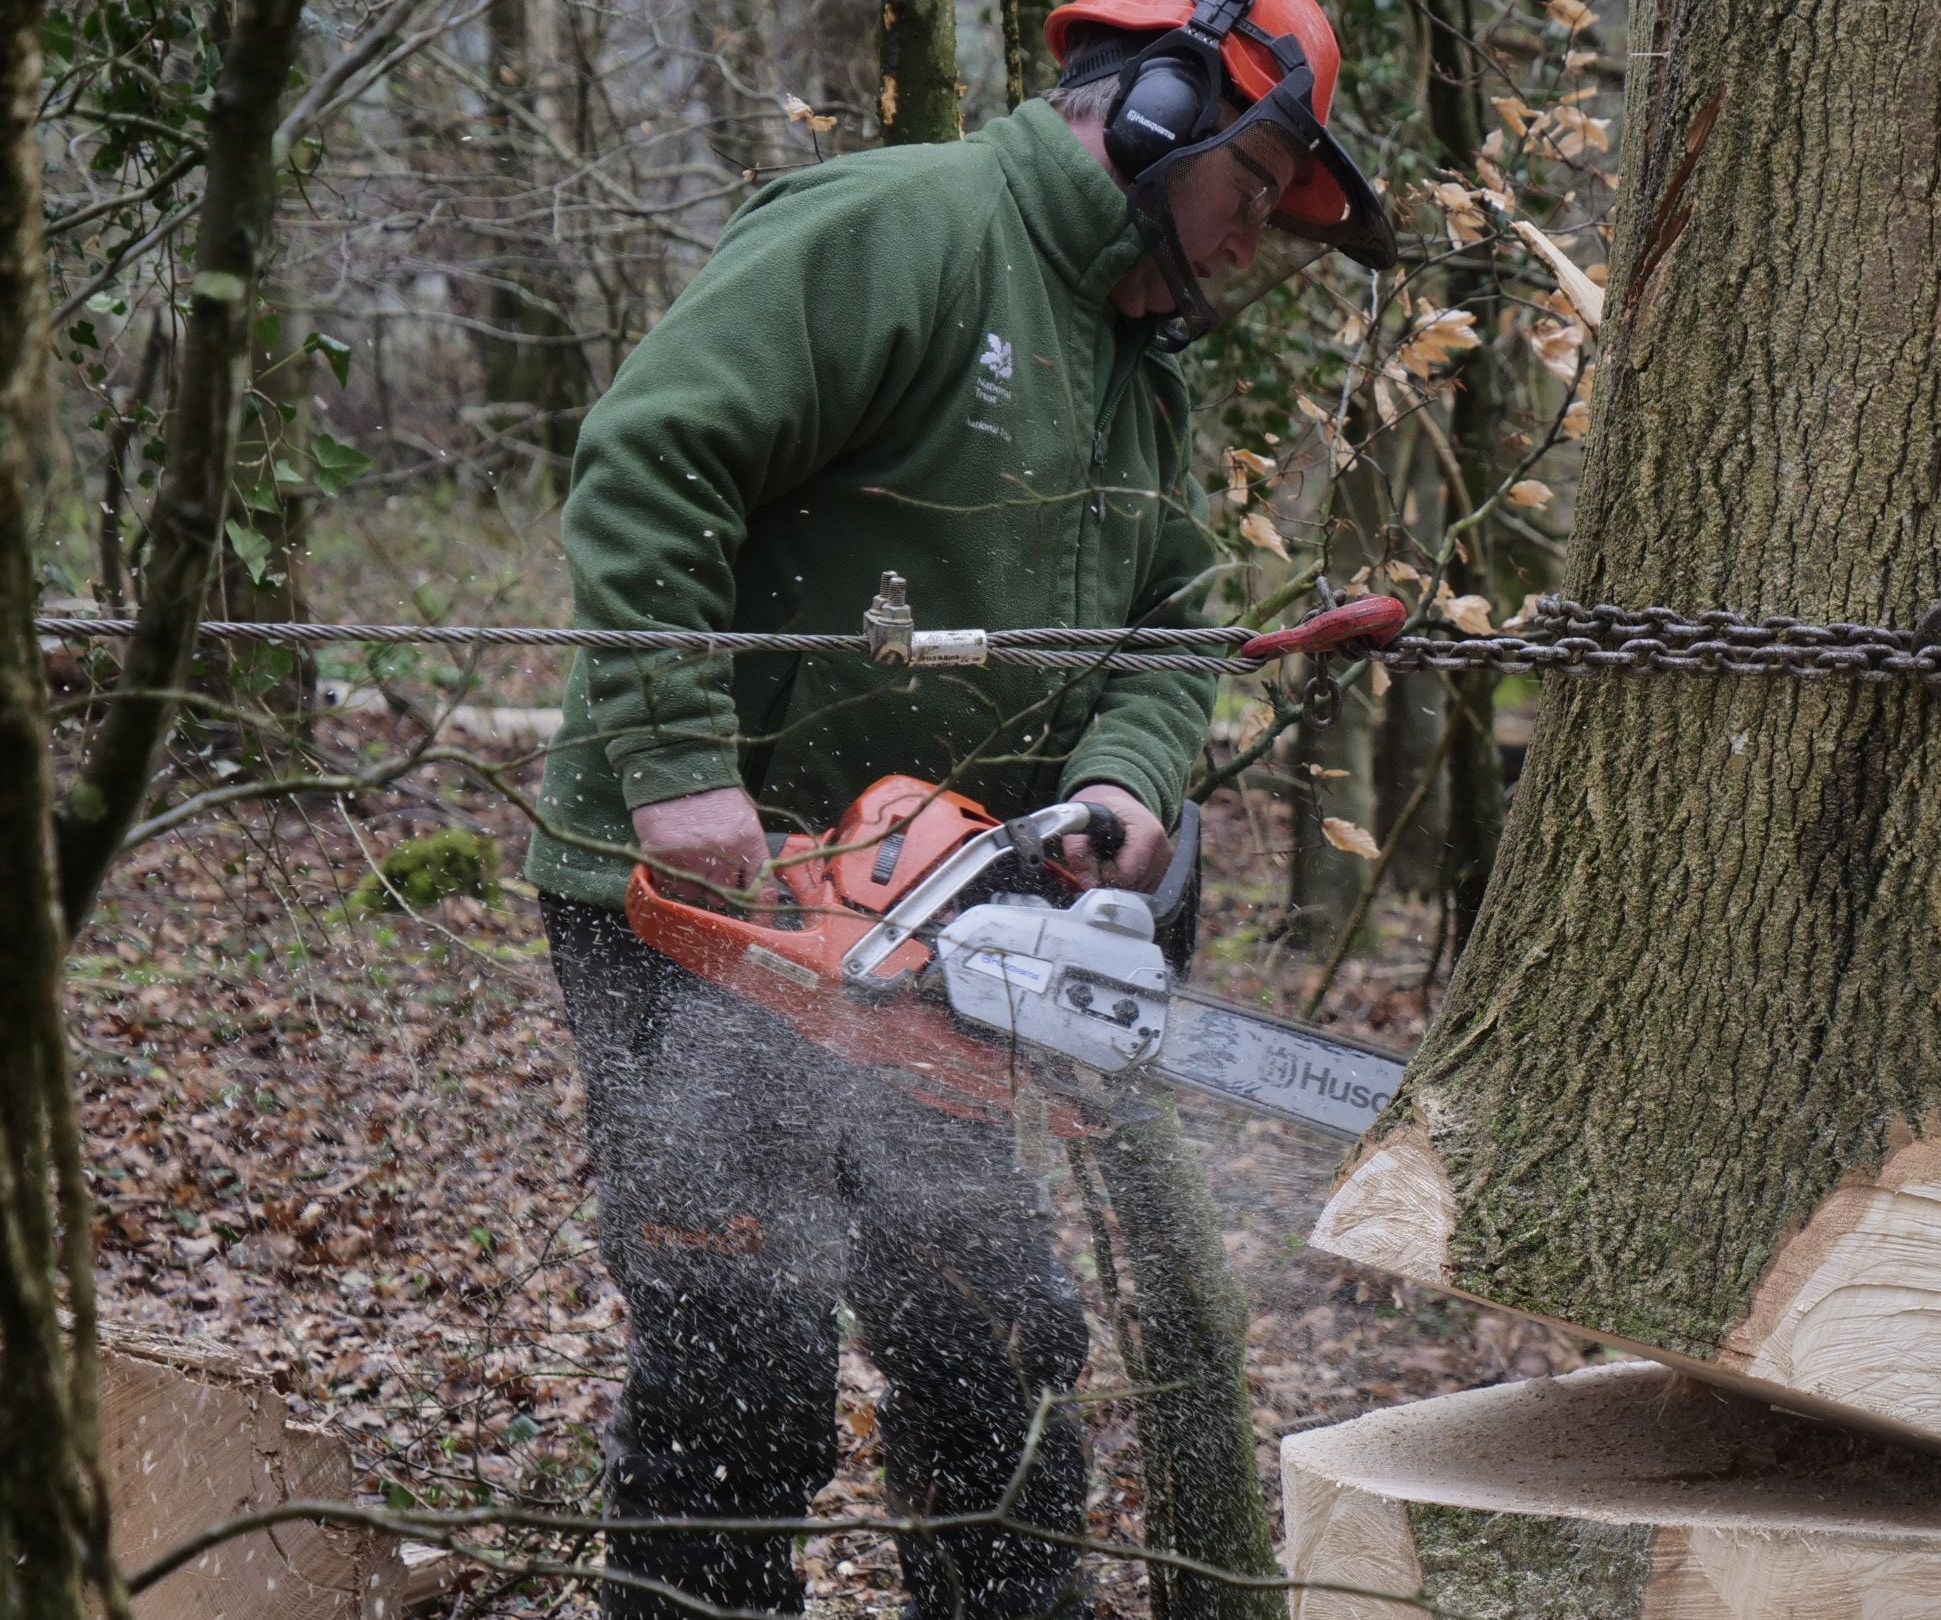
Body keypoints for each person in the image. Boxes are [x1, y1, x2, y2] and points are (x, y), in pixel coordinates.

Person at [520, 1, 1393, 1611]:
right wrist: (678, 767)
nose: (1258, 240)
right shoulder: (903, 227)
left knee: (995, 1341)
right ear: (1153, 110)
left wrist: (1123, 787)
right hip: (716, 906)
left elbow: (1174, 614)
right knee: (741, 1352)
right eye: (1257, 191)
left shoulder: (1136, 370)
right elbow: (652, 458)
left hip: (941, 938)